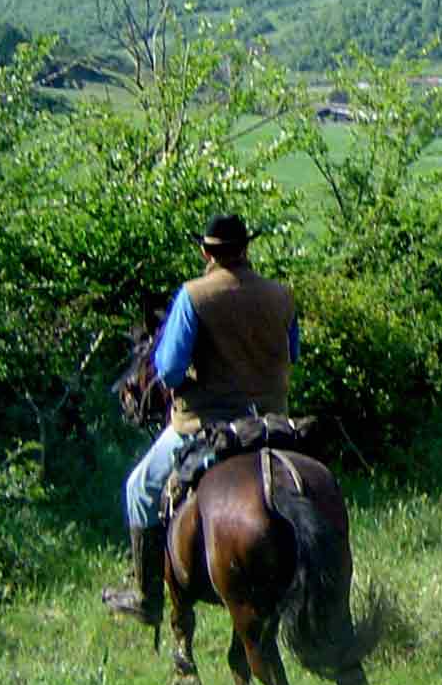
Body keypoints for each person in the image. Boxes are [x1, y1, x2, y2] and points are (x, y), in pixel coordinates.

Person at [104, 213, 300, 627]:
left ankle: (145, 596)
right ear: (246, 249)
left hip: (206, 423)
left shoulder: (194, 296)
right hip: (271, 421)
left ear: (205, 252)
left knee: (138, 487)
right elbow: (292, 354)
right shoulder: (282, 294)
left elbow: (170, 369)